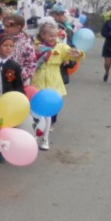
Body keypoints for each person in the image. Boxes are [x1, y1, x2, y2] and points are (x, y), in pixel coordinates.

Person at [30, 19, 83, 150]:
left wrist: (78, 54)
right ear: (42, 35)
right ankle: (34, 135)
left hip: (53, 79)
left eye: (55, 35)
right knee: (34, 111)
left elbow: (73, 56)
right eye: (50, 35)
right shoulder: (35, 45)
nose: (53, 38)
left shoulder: (61, 47)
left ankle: (45, 138)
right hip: (38, 78)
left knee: (48, 112)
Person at [0, 13, 38, 84]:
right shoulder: (2, 39)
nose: (4, 28)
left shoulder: (25, 43)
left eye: (8, 26)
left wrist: (20, 75)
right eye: (4, 26)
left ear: (18, 28)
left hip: (18, 81)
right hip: (2, 78)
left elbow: (31, 64)